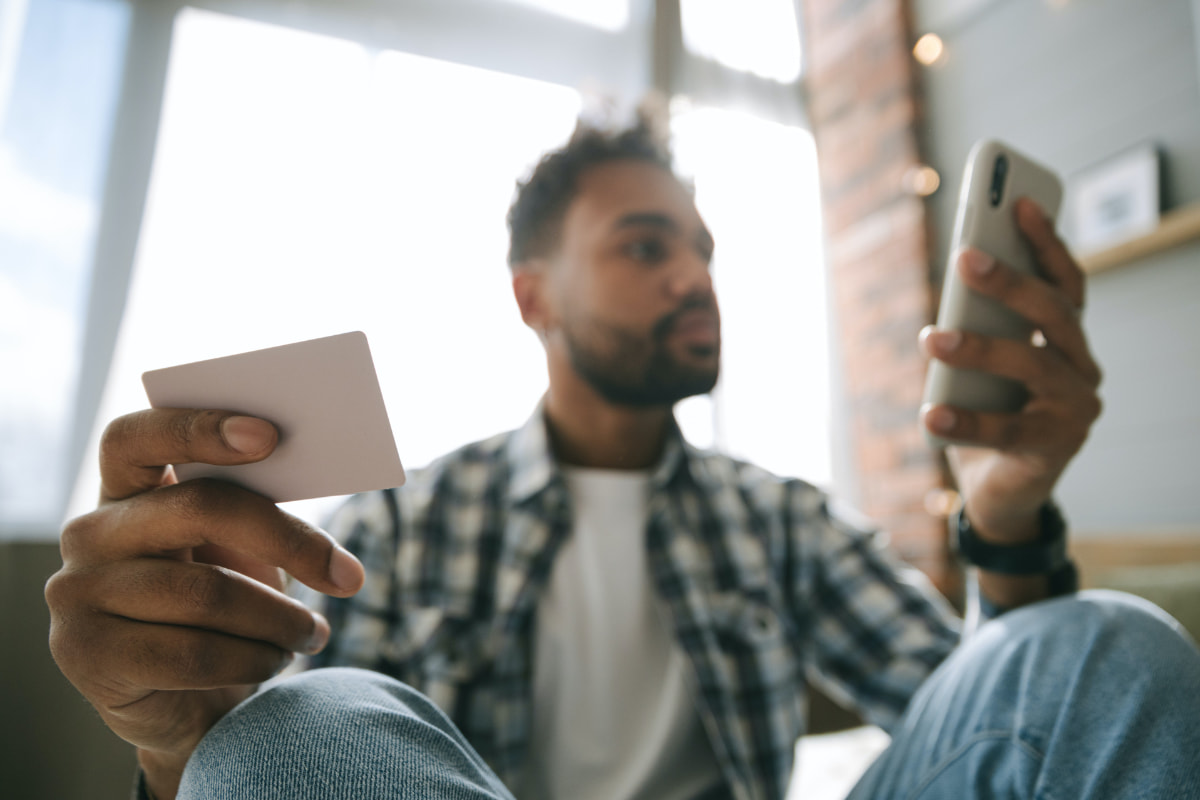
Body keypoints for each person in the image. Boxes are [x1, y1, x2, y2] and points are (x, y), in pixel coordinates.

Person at [46, 117, 1200, 800]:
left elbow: (1003, 721)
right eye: (646, 246)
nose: (695, 276)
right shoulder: (409, 522)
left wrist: (1006, 513)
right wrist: (177, 742)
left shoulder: (776, 517)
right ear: (533, 296)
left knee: (1103, 636)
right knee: (297, 719)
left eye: (701, 249)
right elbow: (300, 775)